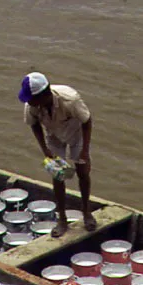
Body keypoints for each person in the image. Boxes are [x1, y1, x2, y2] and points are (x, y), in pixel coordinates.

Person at [18, 71, 97, 237]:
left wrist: (85, 151)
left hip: (76, 133)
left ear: (43, 95)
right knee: (58, 175)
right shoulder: (31, 106)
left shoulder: (70, 100)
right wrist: (45, 150)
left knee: (83, 171)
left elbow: (87, 121)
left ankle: (86, 212)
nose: (28, 101)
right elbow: (34, 125)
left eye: (31, 98)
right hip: (53, 134)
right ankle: (62, 218)